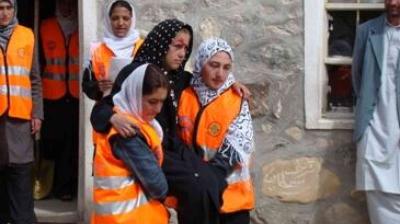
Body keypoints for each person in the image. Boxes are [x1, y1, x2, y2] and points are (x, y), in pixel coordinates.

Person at [91, 19, 250, 224]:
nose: (183, 53)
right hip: (152, 148)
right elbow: (101, 109)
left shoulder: (177, 77)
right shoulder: (138, 74)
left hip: (175, 147)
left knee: (211, 180)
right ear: (162, 43)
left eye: (186, 47)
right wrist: (113, 117)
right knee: (196, 187)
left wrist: (231, 83)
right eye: (177, 46)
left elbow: (208, 77)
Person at [178, 37, 255, 224]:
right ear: (200, 63)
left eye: (226, 67)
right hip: (195, 198)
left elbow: (240, 147)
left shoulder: (236, 99)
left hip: (231, 200)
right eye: (214, 65)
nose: (220, 74)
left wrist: (204, 177)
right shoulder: (184, 95)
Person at [92, 63, 169, 224]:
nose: (158, 109)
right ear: (134, 95)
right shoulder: (128, 132)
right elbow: (158, 187)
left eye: (162, 101)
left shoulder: (121, 117)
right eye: (152, 101)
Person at [352, 0, 400, 223]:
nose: (393, 3)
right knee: (377, 197)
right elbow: (357, 76)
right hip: (374, 123)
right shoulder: (367, 31)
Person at [0, 0, 43, 223]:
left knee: (21, 174)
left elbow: (34, 79)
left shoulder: (27, 35)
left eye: (8, 7)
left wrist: (37, 113)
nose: (4, 13)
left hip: (20, 119)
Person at [39, 0, 79, 200]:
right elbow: (37, 61)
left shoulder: (81, 29)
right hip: (50, 95)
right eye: (62, 3)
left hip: (74, 97)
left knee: (70, 144)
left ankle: (65, 188)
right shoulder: (45, 26)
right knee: (50, 142)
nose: (67, 7)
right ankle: (45, 186)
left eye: (70, 3)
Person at [82, 0, 144, 101]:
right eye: (115, 18)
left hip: (136, 108)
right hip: (106, 109)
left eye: (126, 18)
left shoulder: (143, 47)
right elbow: (86, 85)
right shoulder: (96, 50)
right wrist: (98, 87)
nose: (120, 23)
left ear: (132, 20)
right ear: (108, 20)